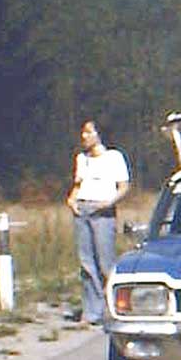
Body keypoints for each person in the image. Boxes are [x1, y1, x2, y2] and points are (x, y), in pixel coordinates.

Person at [66, 120, 131, 325]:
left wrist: (109, 202)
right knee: (86, 262)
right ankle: (91, 312)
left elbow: (124, 186)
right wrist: (71, 200)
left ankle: (113, 308)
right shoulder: (82, 159)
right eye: (83, 133)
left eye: (89, 132)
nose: (84, 137)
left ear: (99, 134)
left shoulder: (114, 157)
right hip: (82, 209)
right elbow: (78, 185)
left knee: (105, 262)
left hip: (102, 211)